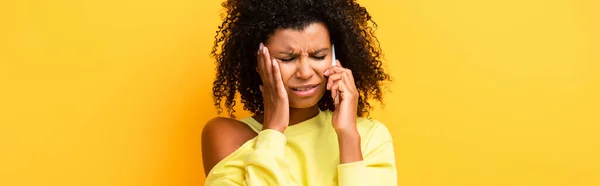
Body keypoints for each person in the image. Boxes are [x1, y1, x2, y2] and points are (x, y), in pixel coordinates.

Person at [202, 0, 396, 185]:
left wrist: (347, 136)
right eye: (287, 58)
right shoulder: (227, 135)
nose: (305, 73)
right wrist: (273, 131)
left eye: (319, 56)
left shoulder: (370, 136)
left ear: (336, 55)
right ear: (259, 62)